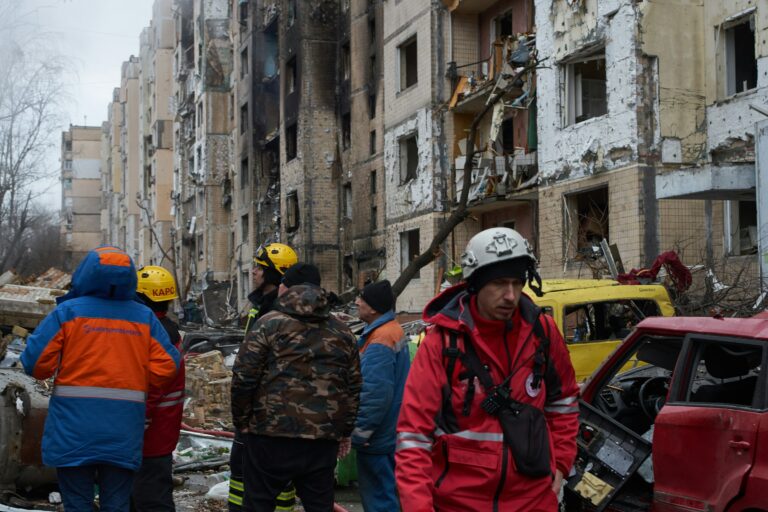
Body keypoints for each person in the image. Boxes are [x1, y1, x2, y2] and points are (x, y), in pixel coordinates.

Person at [395, 228, 580, 511]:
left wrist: (561, 464)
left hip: (533, 501)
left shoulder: (542, 333)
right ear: (476, 285)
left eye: (518, 283)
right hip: (459, 502)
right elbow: (413, 435)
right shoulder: (442, 343)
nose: (511, 295)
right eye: (499, 283)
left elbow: (564, 402)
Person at [20, 247, 180, 512]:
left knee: (77, 504)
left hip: (73, 431)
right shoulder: (144, 317)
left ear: (86, 274)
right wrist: (134, 378)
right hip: (122, 431)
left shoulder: (68, 313)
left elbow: (35, 364)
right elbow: (167, 366)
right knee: (116, 505)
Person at [231, 263, 362, 512]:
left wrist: (242, 421)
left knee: (258, 503)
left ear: (285, 288)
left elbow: (244, 377)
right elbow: (352, 385)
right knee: (319, 505)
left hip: (269, 435)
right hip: (322, 439)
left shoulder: (268, 324)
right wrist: (345, 430)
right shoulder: (342, 332)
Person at [229, 242, 298, 512]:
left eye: (260, 268)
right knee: (241, 471)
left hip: (267, 413)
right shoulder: (261, 306)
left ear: (276, 274)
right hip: (255, 408)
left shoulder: (278, 312)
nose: (254, 272)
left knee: (273, 477)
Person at [352, 280, 410, 512]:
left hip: (377, 438)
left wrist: (358, 434)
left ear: (374, 307)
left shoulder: (379, 340)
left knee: (380, 501)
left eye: (361, 299)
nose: (356, 302)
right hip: (390, 430)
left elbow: (375, 396)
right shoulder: (392, 330)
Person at [132, 266, 186, 512]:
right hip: (162, 431)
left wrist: (139, 419)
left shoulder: (154, 334)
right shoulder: (168, 329)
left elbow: (151, 386)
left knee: (151, 499)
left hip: (149, 434)